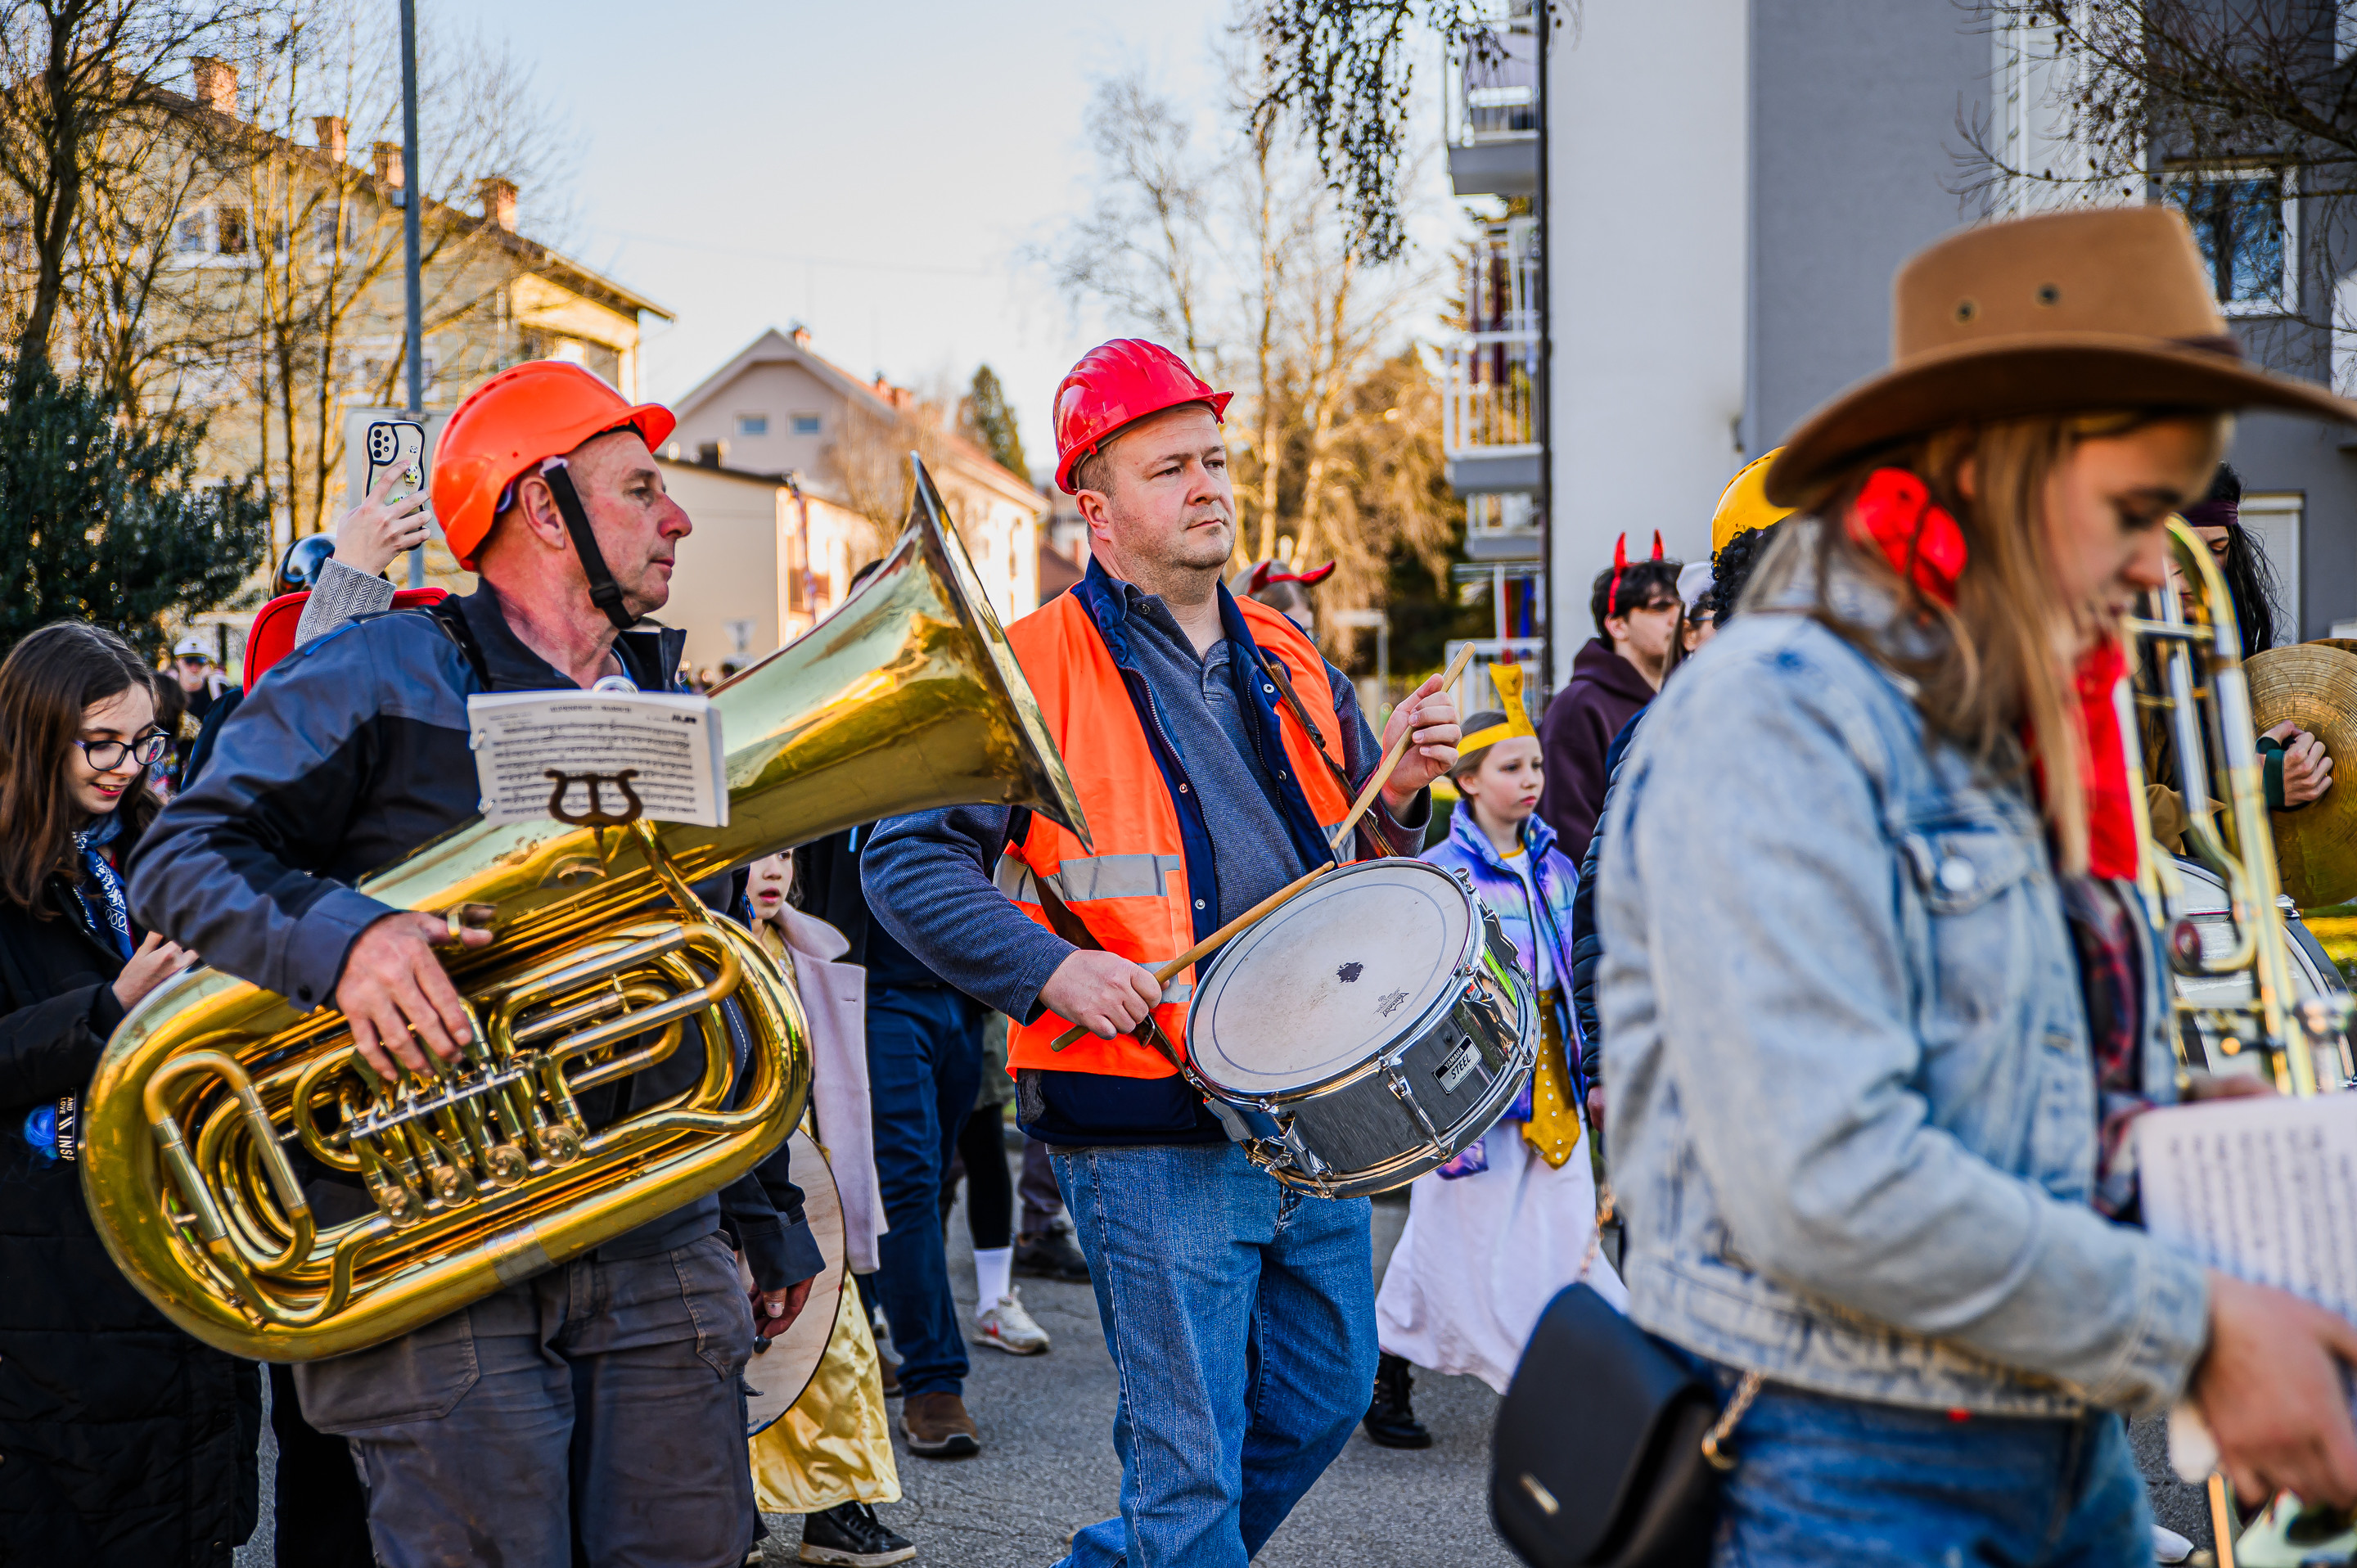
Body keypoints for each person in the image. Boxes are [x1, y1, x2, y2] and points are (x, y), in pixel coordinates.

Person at [1600, 206, 2357, 1565]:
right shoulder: (1775, 717)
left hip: (2056, 1441)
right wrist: (2199, 1326)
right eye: (2135, 512)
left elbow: (1996, 1086)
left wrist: (2177, 1143)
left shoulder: (2027, 714)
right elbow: (1828, 1182)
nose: (2158, 563)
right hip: (1840, 1469)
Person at [128, 360, 824, 1568]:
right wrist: (346, 940)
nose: (678, 518)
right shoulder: (375, 672)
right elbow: (184, 852)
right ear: (543, 508)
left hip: (654, 1227)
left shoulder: (668, 701)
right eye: (640, 490)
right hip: (434, 1244)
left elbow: (706, 971)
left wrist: (763, 1217)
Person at [862, 338, 1459, 1568]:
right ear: (1097, 506)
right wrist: (1052, 970)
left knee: (1327, 1393)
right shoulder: (1023, 669)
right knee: (1190, 1469)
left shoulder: (1293, 660)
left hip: (1312, 1111)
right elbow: (902, 862)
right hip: (1142, 1124)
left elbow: (1360, 843)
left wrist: (1400, 792)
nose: (1209, 486)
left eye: (1216, 460)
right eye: (1171, 466)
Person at [0, 622, 250, 1564]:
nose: (127, 766)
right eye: (100, 742)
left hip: (182, 1259)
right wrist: (110, 1008)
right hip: (50, 1289)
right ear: (34, 732)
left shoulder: (169, 854)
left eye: (145, 741)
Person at [1366, 663, 1623, 1450]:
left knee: (1567, 1227)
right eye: (1512, 767)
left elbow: (1574, 966)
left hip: (1556, 1073)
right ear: (1469, 781)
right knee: (1460, 1236)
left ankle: (1587, 1366)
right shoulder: (1444, 873)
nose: (1532, 780)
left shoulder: (1555, 866)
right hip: (1478, 1083)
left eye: (1537, 764)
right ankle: (1392, 1365)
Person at [741, 851, 917, 1568]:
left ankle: (834, 1509)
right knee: (724, 1336)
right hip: (730, 1164)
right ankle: (737, 1508)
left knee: (827, 1338)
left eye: (784, 854)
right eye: (755, 856)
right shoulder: (712, 944)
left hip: (805, 1170)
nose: (771, 870)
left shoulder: (809, 948)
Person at [1535, 535, 1683, 863]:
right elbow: (1568, 837)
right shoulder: (1578, 707)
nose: (1677, 617)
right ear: (1617, 625)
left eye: (1680, 604)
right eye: (1661, 607)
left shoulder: (1679, 700)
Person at [939, 1012, 1055, 1355]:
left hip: (972, 1006)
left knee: (986, 1146)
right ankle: (897, 1297)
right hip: (898, 1002)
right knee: (919, 1165)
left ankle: (994, 1301)